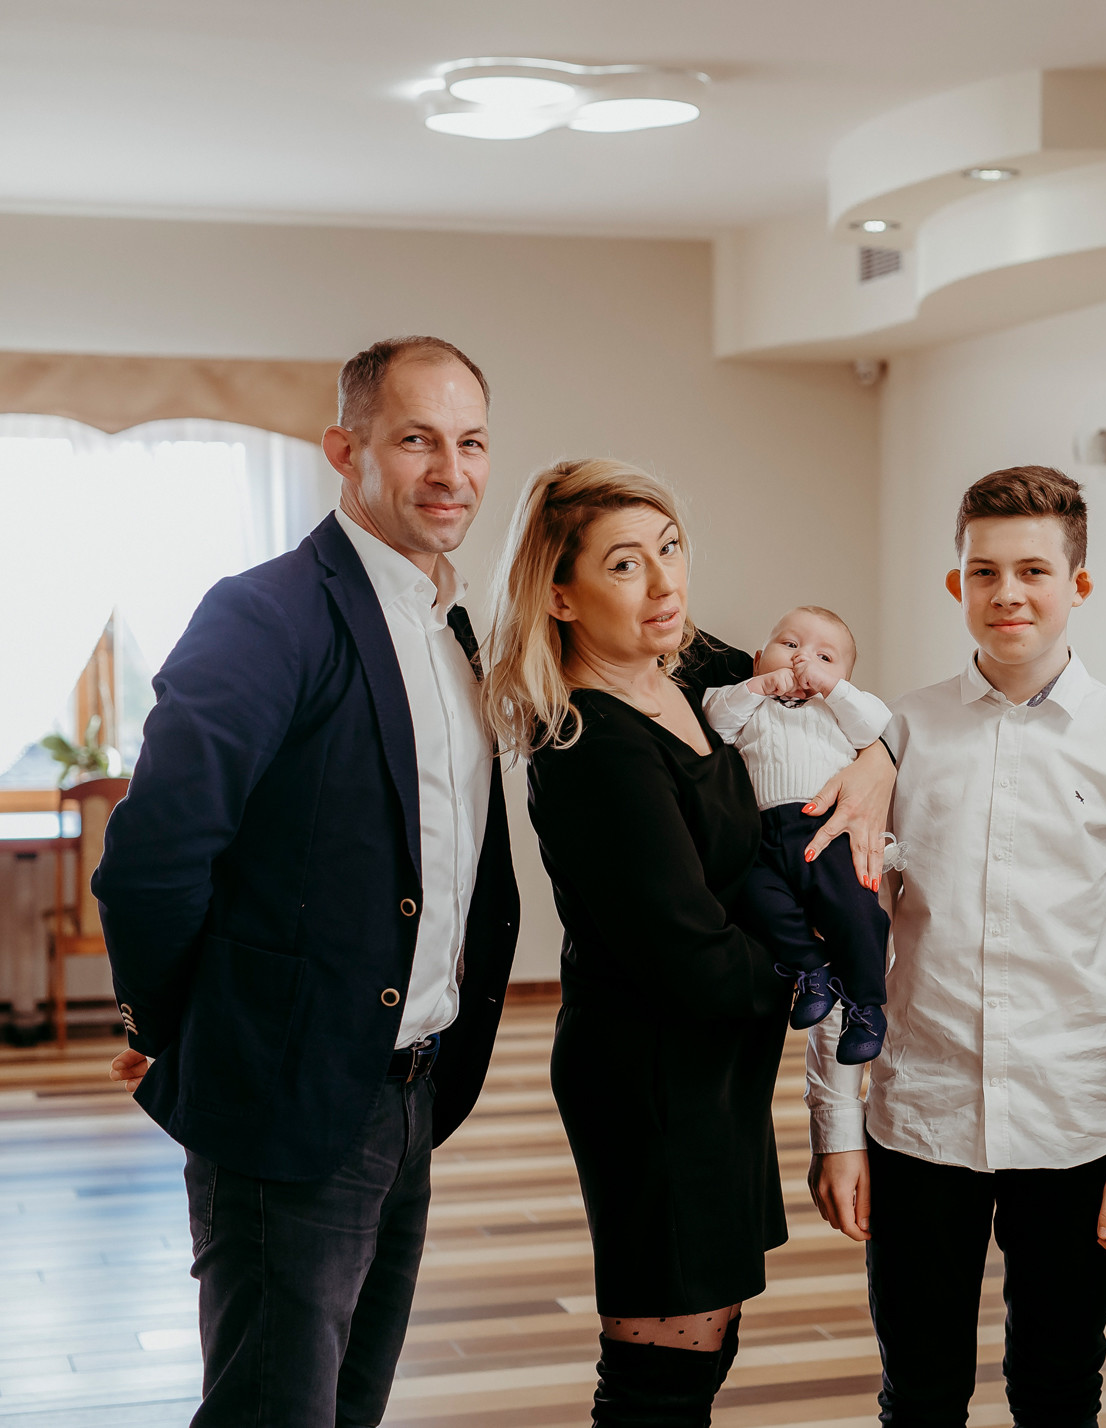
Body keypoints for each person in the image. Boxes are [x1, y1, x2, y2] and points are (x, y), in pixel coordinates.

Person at [93, 335, 521, 1427]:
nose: (451, 471)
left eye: (471, 443)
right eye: (416, 440)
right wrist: (176, 1025)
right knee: (273, 1409)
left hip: (413, 1086)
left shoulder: (452, 626)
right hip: (286, 1089)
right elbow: (153, 857)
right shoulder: (266, 612)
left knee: (352, 1403)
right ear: (345, 449)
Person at [483, 459, 895, 1425]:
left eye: (670, 548)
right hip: (653, 1079)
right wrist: (821, 969)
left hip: (715, 1070)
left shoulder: (689, 665)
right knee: (658, 1377)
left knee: (702, 1343)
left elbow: (825, 693)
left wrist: (875, 761)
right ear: (560, 595)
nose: (666, 584)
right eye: (626, 564)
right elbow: (693, 959)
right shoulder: (592, 744)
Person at [806, 465, 1106, 1425]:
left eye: (1033, 571)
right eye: (984, 572)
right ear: (958, 583)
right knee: (919, 1392)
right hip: (920, 1120)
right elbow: (851, 953)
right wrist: (838, 1130)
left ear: (1079, 585)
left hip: (1076, 1125)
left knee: (1059, 1392)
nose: (1007, 593)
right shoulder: (901, 733)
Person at [703, 605, 894, 1064]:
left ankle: (866, 1009)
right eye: (789, 645)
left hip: (824, 831)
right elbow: (714, 718)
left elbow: (876, 723)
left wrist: (833, 689)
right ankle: (813, 967)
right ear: (757, 658)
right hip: (761, 836)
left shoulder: (839, 711)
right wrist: (757, 687)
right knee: (751, 899)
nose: (802, 658)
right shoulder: (748, 705)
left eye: (825, 657)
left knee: (857, 912)